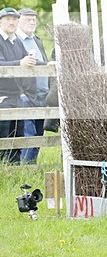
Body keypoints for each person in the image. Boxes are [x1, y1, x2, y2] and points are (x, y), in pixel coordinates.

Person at [0, 7, 37, 164]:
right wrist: (20, 63)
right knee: (3, 138)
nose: (12, 22)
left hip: (17, 97)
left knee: (17, 136)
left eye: (14, 19)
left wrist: (47, 63)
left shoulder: (17, 41)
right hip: (2, 97)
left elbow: (27, 60)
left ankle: (14, 170)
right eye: (8, 19)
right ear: (0, 21)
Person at [16, 8, 51, 164]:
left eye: (33, 20)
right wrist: (20, 93)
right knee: (28, 134)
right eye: (27, 19)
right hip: (25, 95)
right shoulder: (15, 40)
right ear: (18, 21)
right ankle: (24, 169)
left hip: (43, 94)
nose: (31, 22)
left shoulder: (37, 40)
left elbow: (40, 62)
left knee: (38, 133)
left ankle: (31, 167)